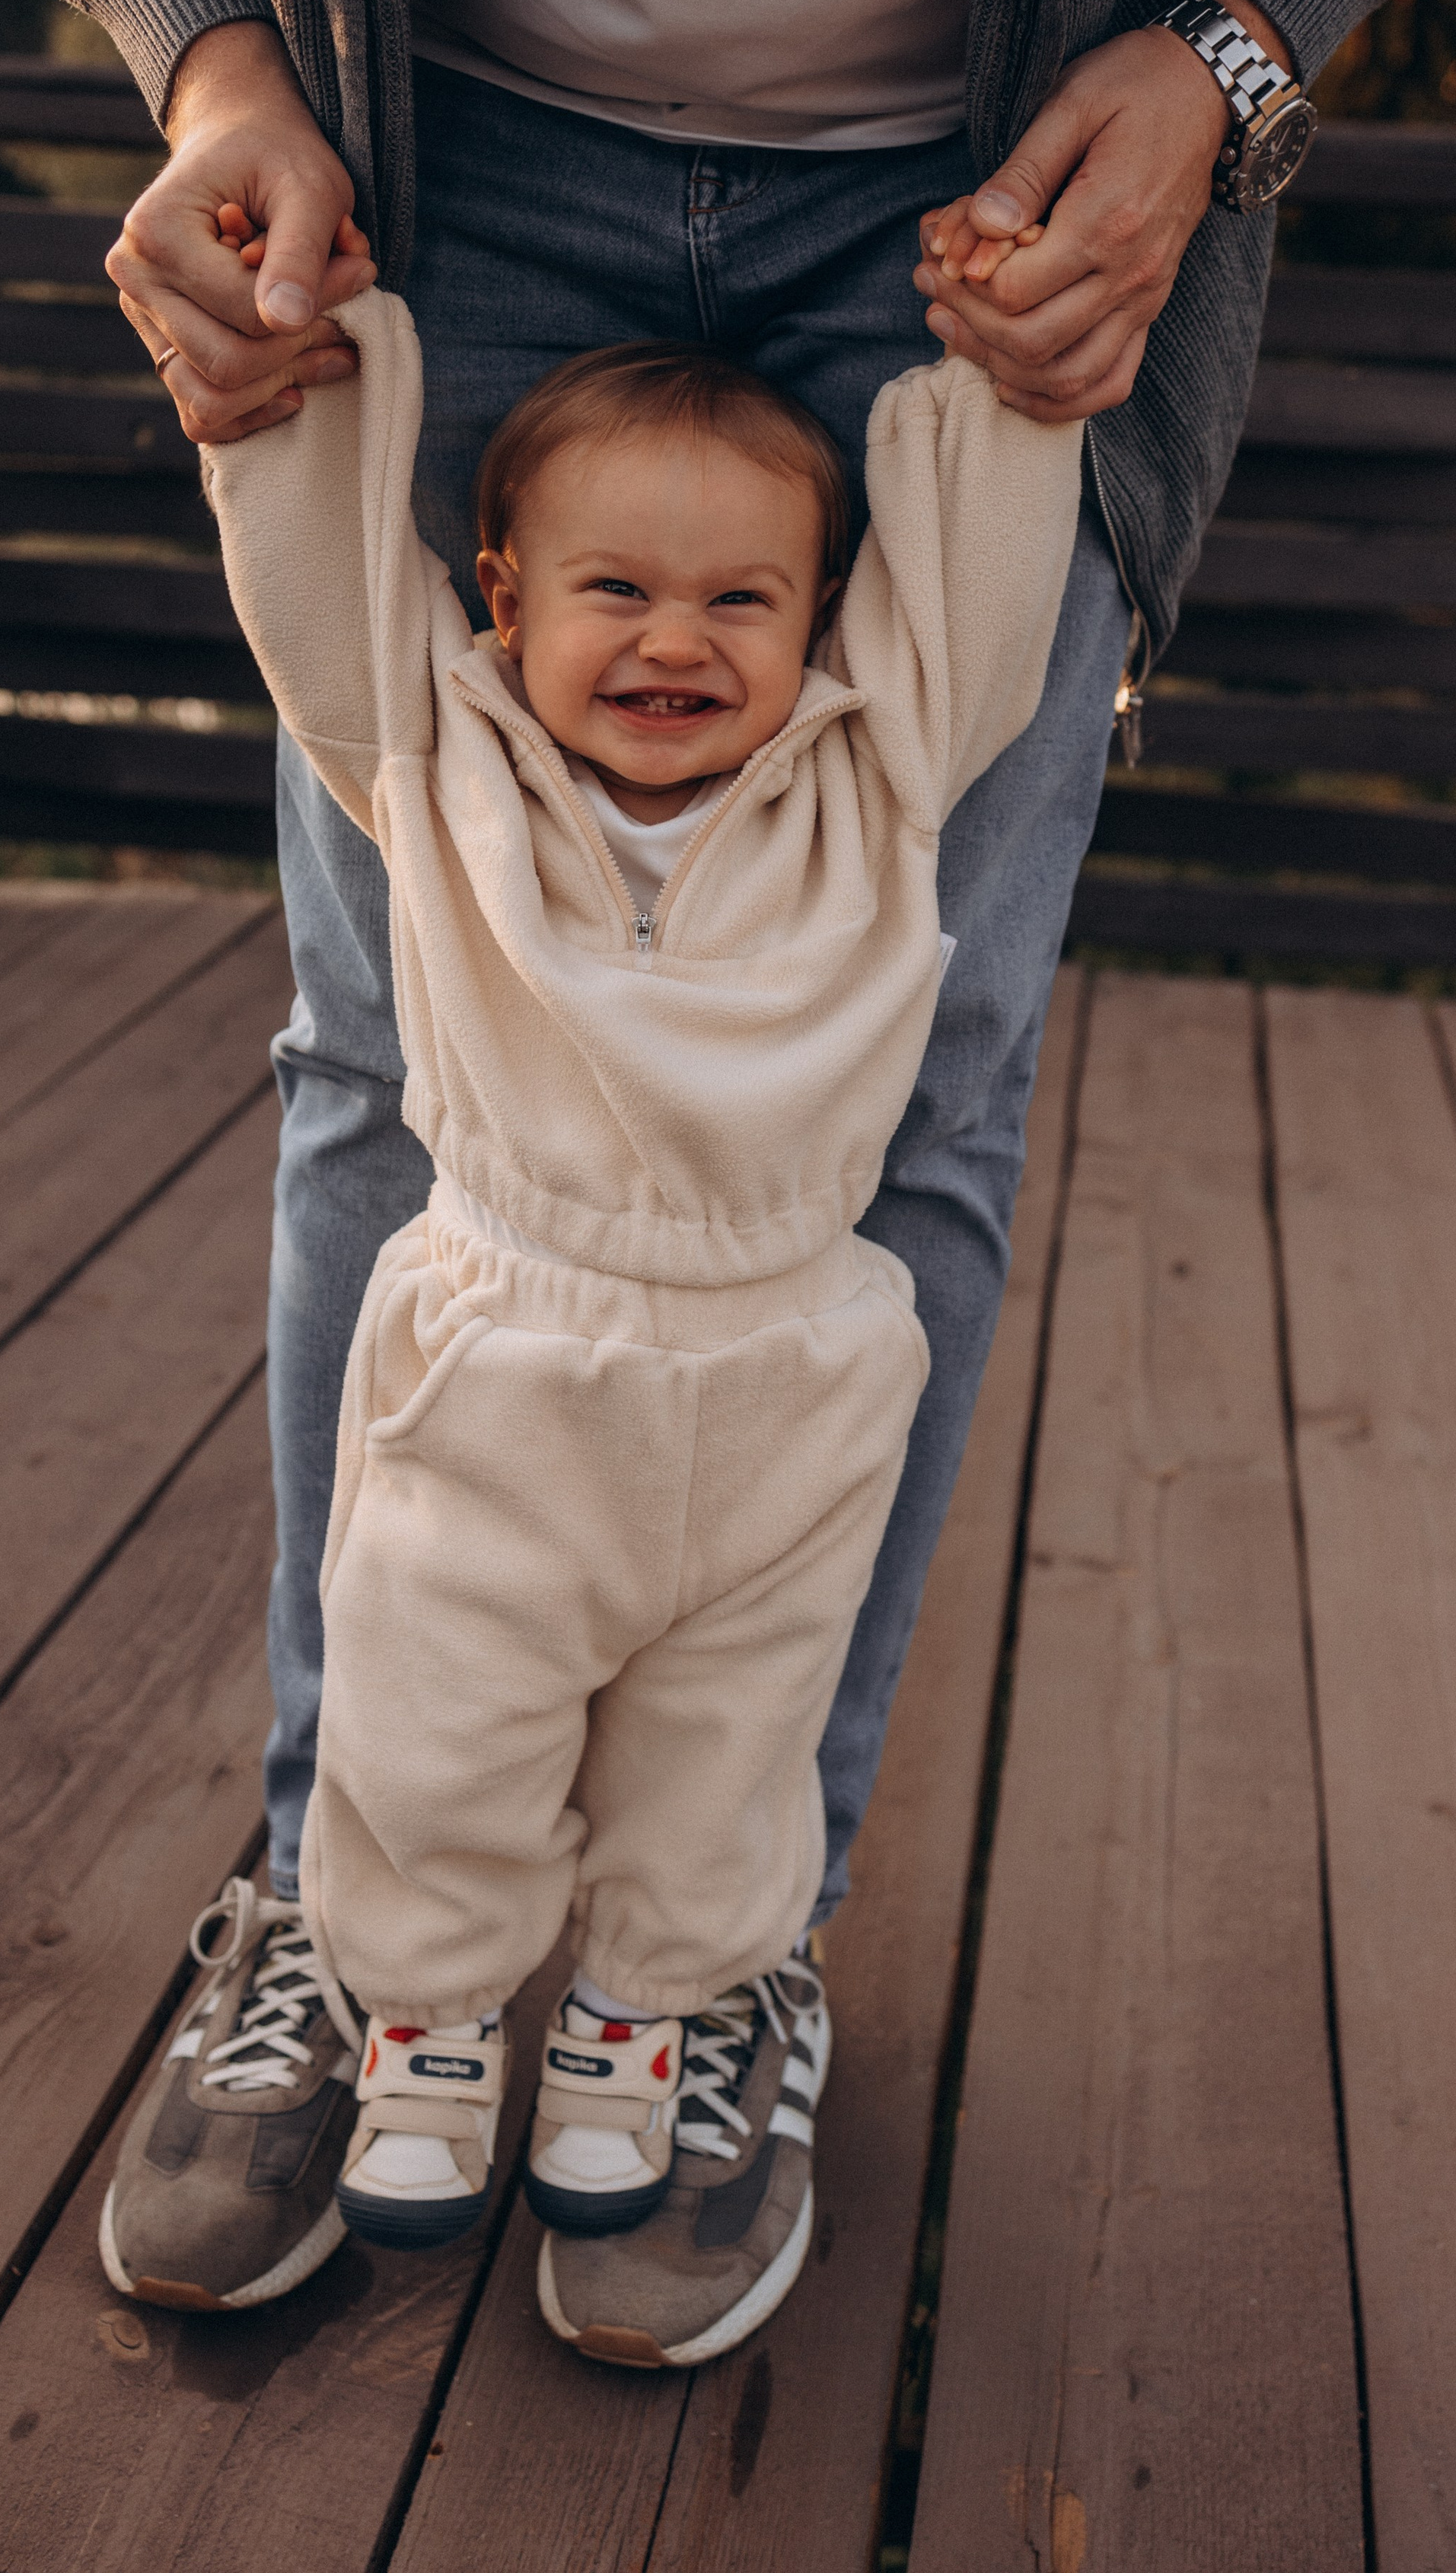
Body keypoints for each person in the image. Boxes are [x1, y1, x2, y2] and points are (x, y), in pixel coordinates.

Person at [0, 0, 1456, 2342]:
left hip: (999, 165)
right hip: (430, 138)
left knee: (911, 1108)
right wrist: (210, 58)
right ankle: (355, 1917)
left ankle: (701, 1961)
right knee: (394, 1070)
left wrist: (1234, 39)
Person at [100, 289, 1077, 2363]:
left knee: (729, 1752)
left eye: (744, 598)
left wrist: (1007, 393)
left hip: (791, 1368)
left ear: (822, 625)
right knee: (432, 1712)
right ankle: (433, 2018)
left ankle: (644, 2020)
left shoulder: (874, 781)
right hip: (507, 1349)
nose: (675, 640)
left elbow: (983, 598)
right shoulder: (440, 772)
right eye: (615, 588)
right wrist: (305, 380)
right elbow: (308, 596)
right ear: (503, 591)